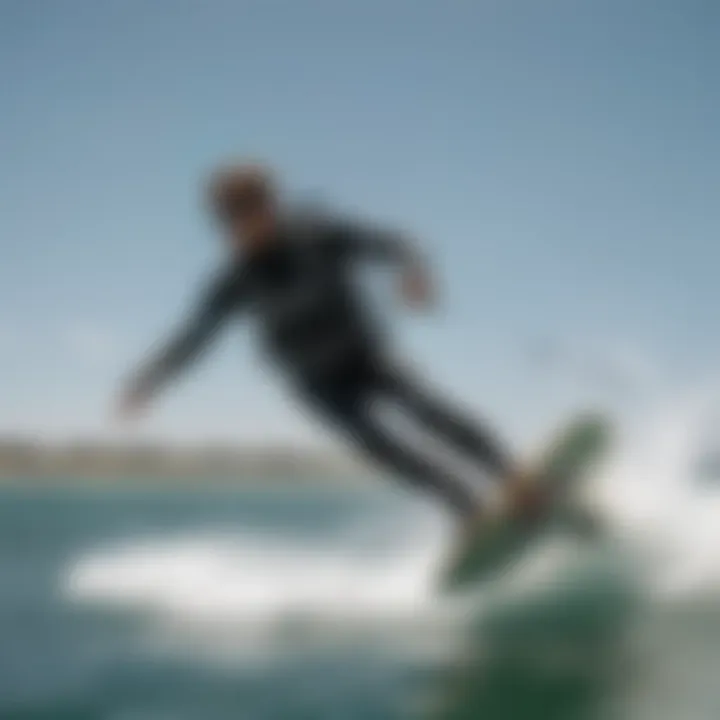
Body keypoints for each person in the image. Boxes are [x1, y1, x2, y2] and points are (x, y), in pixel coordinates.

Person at [115, 162, 537, 528]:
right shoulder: (234, 280)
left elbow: (393, 243)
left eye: (254, 210)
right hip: (318, 386)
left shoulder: (317, 234)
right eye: (232, 219)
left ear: (271, 204)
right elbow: (193, 338)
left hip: (365, 357)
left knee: (429, 412)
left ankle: (515, 480)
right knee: (387, 451)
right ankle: (467, 509)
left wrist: (414, 272)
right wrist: (148, 382)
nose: (246, 225)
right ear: (223, 224)